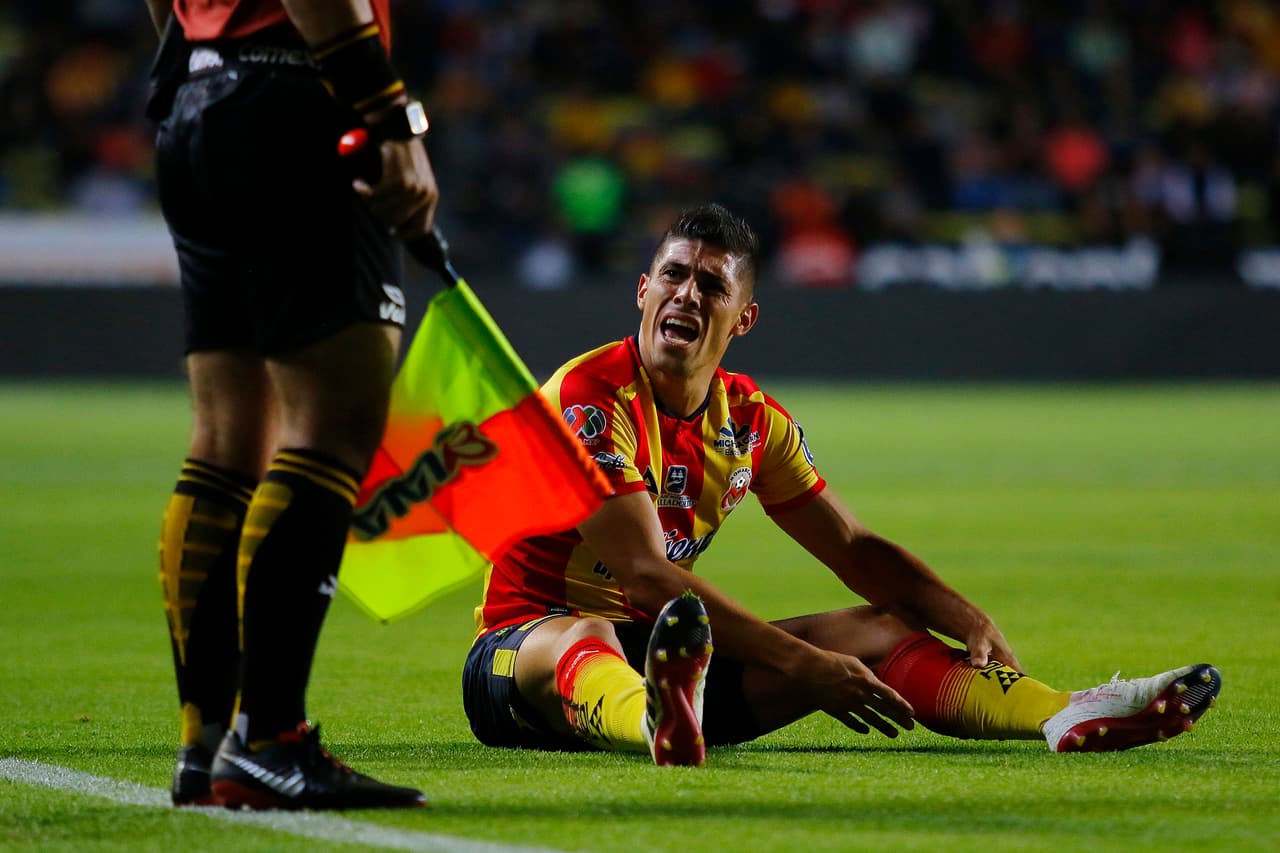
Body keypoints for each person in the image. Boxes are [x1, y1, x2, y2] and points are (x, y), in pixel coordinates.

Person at [461, 203, 1222, 766]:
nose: (687, 295)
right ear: (641, 291)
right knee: (588, 631)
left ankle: (1062, 712)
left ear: (744, 316)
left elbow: (852, 545)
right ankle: (657, 722)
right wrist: (799, 664)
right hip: (521, 657)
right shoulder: (586, 399)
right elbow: (646, 573)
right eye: (673, 275)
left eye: (710, 285)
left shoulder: (752, 421)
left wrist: (961, 613)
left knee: (881, 628)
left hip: (667, 650)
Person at [147, 0, 438, 809]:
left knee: (227, 437)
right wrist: (391, 114)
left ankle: (206, 744)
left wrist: (202, 62)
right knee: (333, 424)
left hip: (199, 101)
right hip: (300, 101)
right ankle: (270, 738)